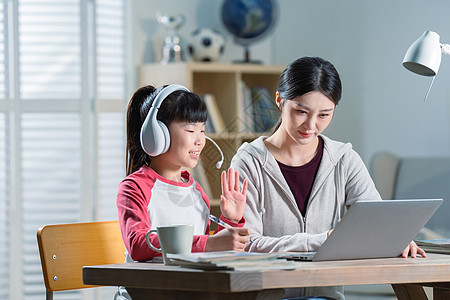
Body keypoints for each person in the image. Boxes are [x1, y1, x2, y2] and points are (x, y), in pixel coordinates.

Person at [230, 56, 425, 300]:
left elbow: (376, 220)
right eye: (301, 111)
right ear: (280, 100)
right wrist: (322, 241)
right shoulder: (249, 162)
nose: (311, 125)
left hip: (326, 297)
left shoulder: (344, 159)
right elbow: (248, 245)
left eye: (324, 115)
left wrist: (395, 240)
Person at [117, 84, 250, 265]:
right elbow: (138, 245)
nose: (200, 140)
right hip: (146, 290)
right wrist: (209, 244)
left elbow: (202, 255)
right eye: (190, 131)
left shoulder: (196, 191)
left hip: (187, 288)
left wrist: (231, 220)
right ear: (158, 135)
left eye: (202, 131)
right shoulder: (134, 187)